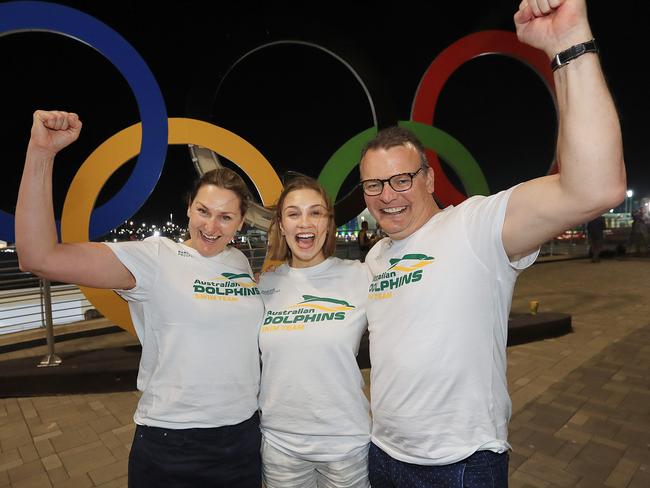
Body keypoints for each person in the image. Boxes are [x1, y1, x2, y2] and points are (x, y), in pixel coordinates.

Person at [357, 1, 626, 486]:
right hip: (384, 455)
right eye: (374, 185)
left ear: (429, 178)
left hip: (459, 464)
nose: (387, 196)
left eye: (400, 179)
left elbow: (595, 187)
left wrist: (569, 43)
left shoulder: (474, 228)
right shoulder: (376, 257)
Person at [16, 110, 265, 487]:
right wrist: (40, 153)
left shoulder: (239, 262)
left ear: (241, 222)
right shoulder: (153, 259)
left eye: (225, 218)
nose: (211, 227)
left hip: (243, 438)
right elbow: (39, 257)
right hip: (173, 442)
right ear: (188, 208)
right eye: (203, 211)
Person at [258, 175, 371, 487]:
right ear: (281, 225)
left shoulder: (360, 276)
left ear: (327, 223)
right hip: (281, 446)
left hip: (346, 444)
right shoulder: (265, 285)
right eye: (293, 213)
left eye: (315, 212)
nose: (304, 222)